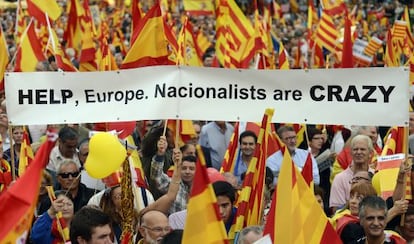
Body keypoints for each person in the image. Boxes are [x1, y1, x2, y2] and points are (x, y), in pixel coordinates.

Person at [329, 134, 375, 214]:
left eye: (362, 149)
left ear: (370, 153)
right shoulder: (339, 179)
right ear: (351, 153)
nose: (358, 152)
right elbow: (336, 211)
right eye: (355, 149)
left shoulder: (376, 176)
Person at [151, 139, 194, 214]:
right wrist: (160, 154)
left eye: (191, 169)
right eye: (184, 168)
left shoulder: (203, 189)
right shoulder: (172, 185)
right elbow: (156, 176)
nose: (187, 172)